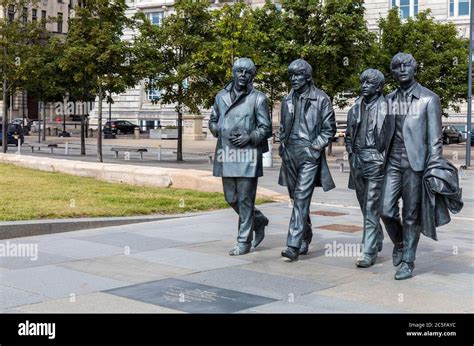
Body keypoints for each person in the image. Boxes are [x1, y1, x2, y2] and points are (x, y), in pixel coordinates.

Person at [380, 52, 443, 280]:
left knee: (410, 214)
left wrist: (434, 167)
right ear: (393, 72)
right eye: (397, 66)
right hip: (393, 161)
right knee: (385, 210)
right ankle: (400, 242)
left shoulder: (429, 99)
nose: (402, 69)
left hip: (416, 163)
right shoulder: (389, 99)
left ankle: (408, 260)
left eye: (407, 65)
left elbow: (435, 139)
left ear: (415, 69)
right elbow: (385, 132)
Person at [209, 58, 272, 256]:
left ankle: (243, 241)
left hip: (248, 154)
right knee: (231, 198)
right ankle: (258, 219)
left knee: (245, 199)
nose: (243, 76)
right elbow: (212, 120)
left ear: (252, 76)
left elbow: (266, 128)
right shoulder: (221, 96)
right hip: (226, 153)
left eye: (247, 72)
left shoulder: (258, 98)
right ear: (233, 73)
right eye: (239, 71)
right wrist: (217, 128)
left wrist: (250, 137)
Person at [278, 59, 336, 261]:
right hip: (290, 154)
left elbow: (329, 130)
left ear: (308, 76)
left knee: (302, 197)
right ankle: (305, 234)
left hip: (309, 154)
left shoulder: (321, 99)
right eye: (291, 75)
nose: (293, 79)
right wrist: (282, 146)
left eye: (298, 75)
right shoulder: (286, 100)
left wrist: (314, 148)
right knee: (296, 198)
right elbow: (283, 127)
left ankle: (292, 245)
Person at [345, 68, 387, 268]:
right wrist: (351, 154)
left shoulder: (389, 108)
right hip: (358, 160)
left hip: (376, 161)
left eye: (369, 83)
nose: (364, 86)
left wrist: (383, 158)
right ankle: (377, 236)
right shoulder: (354, 109)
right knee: (364, 205)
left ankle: (368, 251)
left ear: (378, 87)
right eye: (362, 82)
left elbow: (394, 138)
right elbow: (348, 136)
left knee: (371, 205)